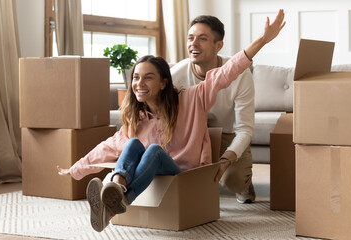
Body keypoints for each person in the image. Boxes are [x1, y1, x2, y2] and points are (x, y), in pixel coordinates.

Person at [57, 9, 285, 232]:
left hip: (184, 171)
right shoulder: (139, 118)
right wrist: (75, 169)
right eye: (136, 78)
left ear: (164, 83)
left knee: (154, 150)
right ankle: (117, 190)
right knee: (132, 143)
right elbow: (108, 146)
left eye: (148, 78)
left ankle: (123, 198)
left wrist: (262, 40)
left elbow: (228, 72)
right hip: (154, 170)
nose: (140, 84)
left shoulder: (192, 98)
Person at [171, 15, 256, 203]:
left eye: (202, 38)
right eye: (190, 38)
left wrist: (227, 159)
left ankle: (244, 183)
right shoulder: (176, 75)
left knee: (234, 180)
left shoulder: (240, 74)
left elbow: (245, 129)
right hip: (193, 135)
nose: (194, 44)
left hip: (228, 134)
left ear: (219, 46)